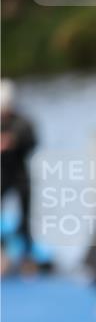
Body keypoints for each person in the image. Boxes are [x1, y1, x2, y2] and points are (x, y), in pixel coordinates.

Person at [0, 79, 41, 273]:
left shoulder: (22, 123)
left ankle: (27, 257)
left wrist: (14, 141)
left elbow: (33, 142)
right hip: (3, 175)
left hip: (20, 174)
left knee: (25, 217)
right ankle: (3, 253)